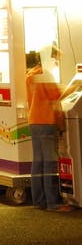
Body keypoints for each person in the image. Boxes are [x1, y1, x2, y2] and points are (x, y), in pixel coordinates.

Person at [25, 50, 72, 213]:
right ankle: (54, 203)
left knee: (38, 162)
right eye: (56, 59)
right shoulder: (47, 75)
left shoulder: (30, 74)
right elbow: (57, 95)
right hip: (46, 120)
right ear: (48, 58)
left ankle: (38, 201)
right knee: (50, 162)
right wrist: (74, 87)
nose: (56, 62)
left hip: (34, 120)